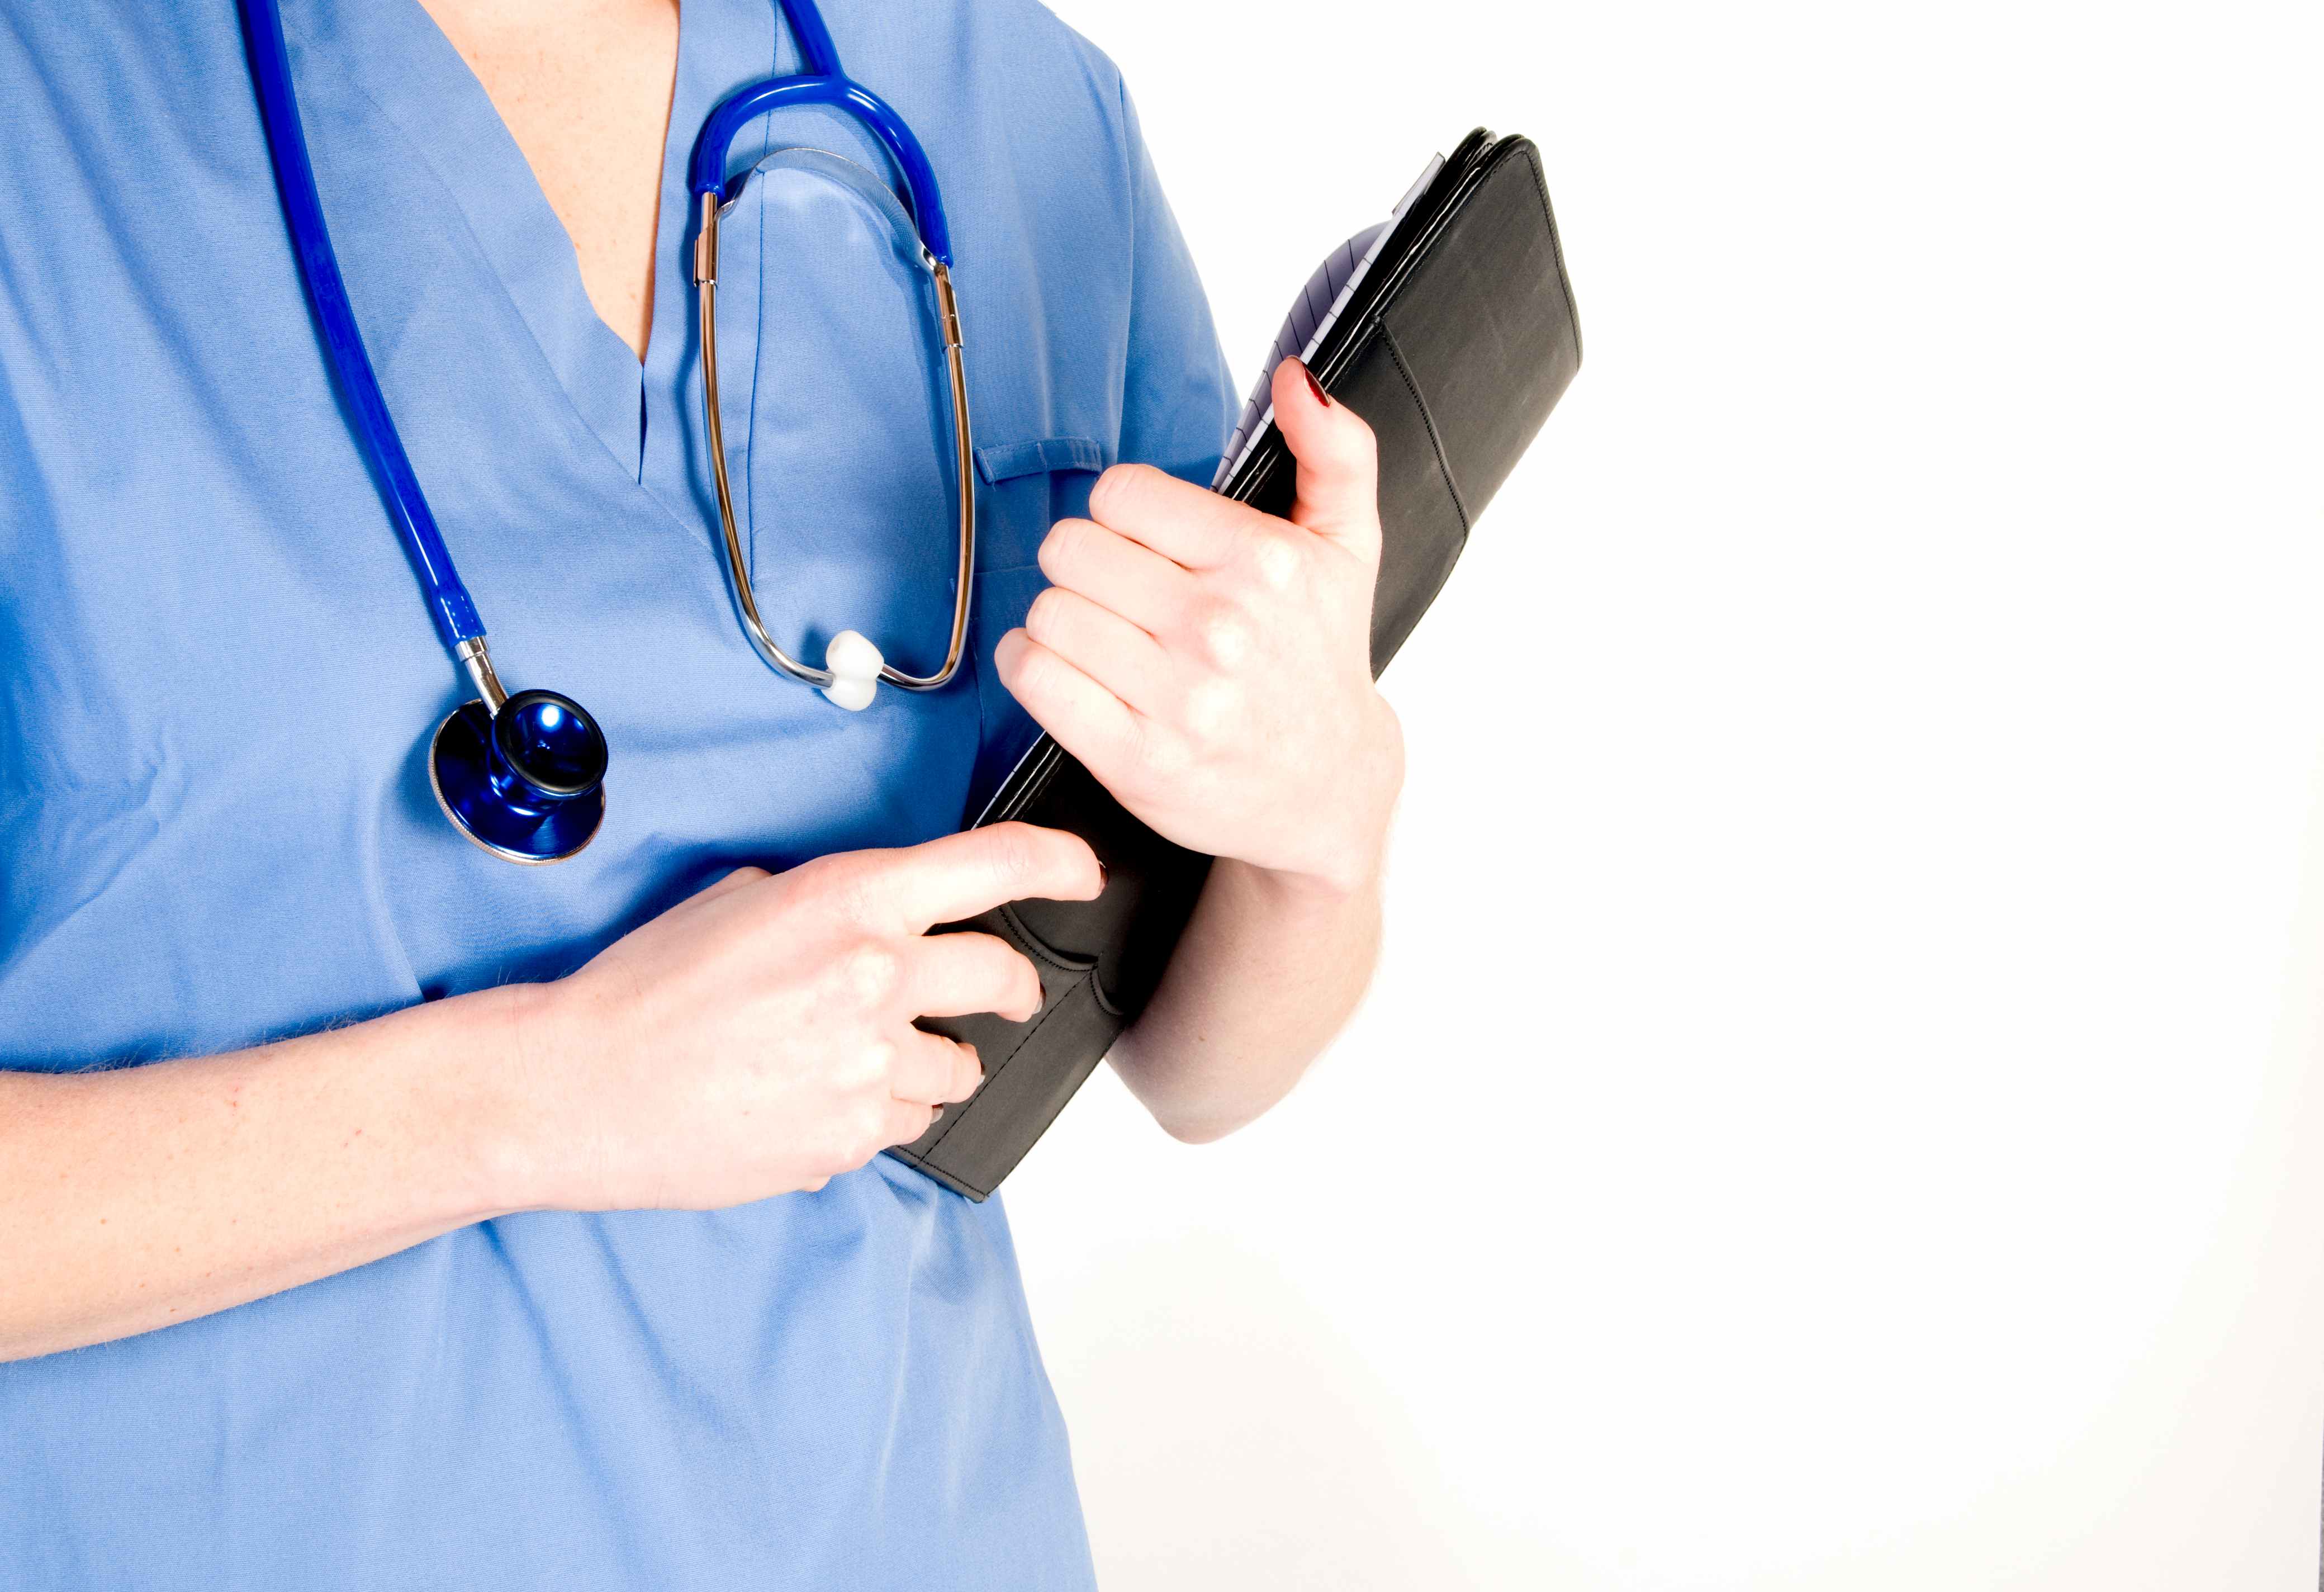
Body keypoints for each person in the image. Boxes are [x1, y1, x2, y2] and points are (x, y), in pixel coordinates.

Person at [0, 1, 1403, 1586]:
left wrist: (1320, 826)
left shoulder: (1006, 97)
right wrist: (539, 1096)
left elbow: (1190, 1067)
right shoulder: (54, 111)